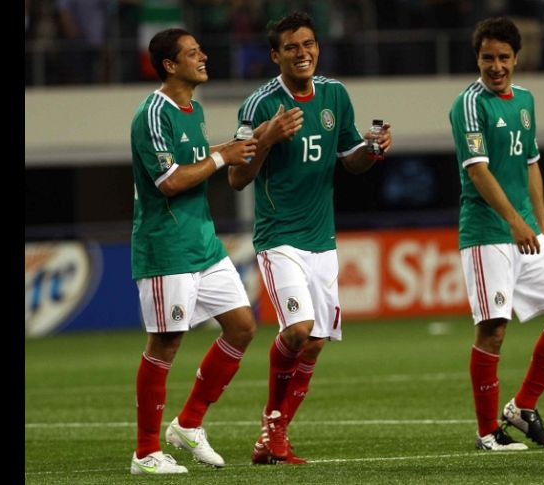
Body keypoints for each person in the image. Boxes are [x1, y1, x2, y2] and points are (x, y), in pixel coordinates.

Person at [228, 11, 393, 465]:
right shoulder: (259, 106)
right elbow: (237, 179)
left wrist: (371, 150)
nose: (303, 53)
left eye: (309, 45)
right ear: (275, 55)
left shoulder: (335, 95)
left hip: (322, 238)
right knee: (298, 331)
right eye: (292, 47)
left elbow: (350, 159)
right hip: (279, 236)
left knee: (316, 341)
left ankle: (271, 440)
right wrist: (267, 138)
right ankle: (272, 428)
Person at [128, 28, 260, 474]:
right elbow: (171, 181)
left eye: (201, 49)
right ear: (169, 64)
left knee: (242, 327)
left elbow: (199, 158)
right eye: (191, 52)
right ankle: (145, 452)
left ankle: (187, 424)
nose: (203, 56)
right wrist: (224, 157)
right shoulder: (153, 113)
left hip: (203, 243)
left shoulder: (194, 109)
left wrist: (237, 146)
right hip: (165, 247)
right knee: (165, 344)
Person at [448, 17, 544, 452]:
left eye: (504, 57)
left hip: (525, 230)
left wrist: (542, 229)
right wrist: (515, 222)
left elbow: (531, 164)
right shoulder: (468, 105)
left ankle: (523, 407)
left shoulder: (525, 100)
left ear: (516, 59)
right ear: (478, 59)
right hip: (488, 232)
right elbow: (478, 170)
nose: (496, 65)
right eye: (488, 57)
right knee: (493, 331)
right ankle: (487, 431)